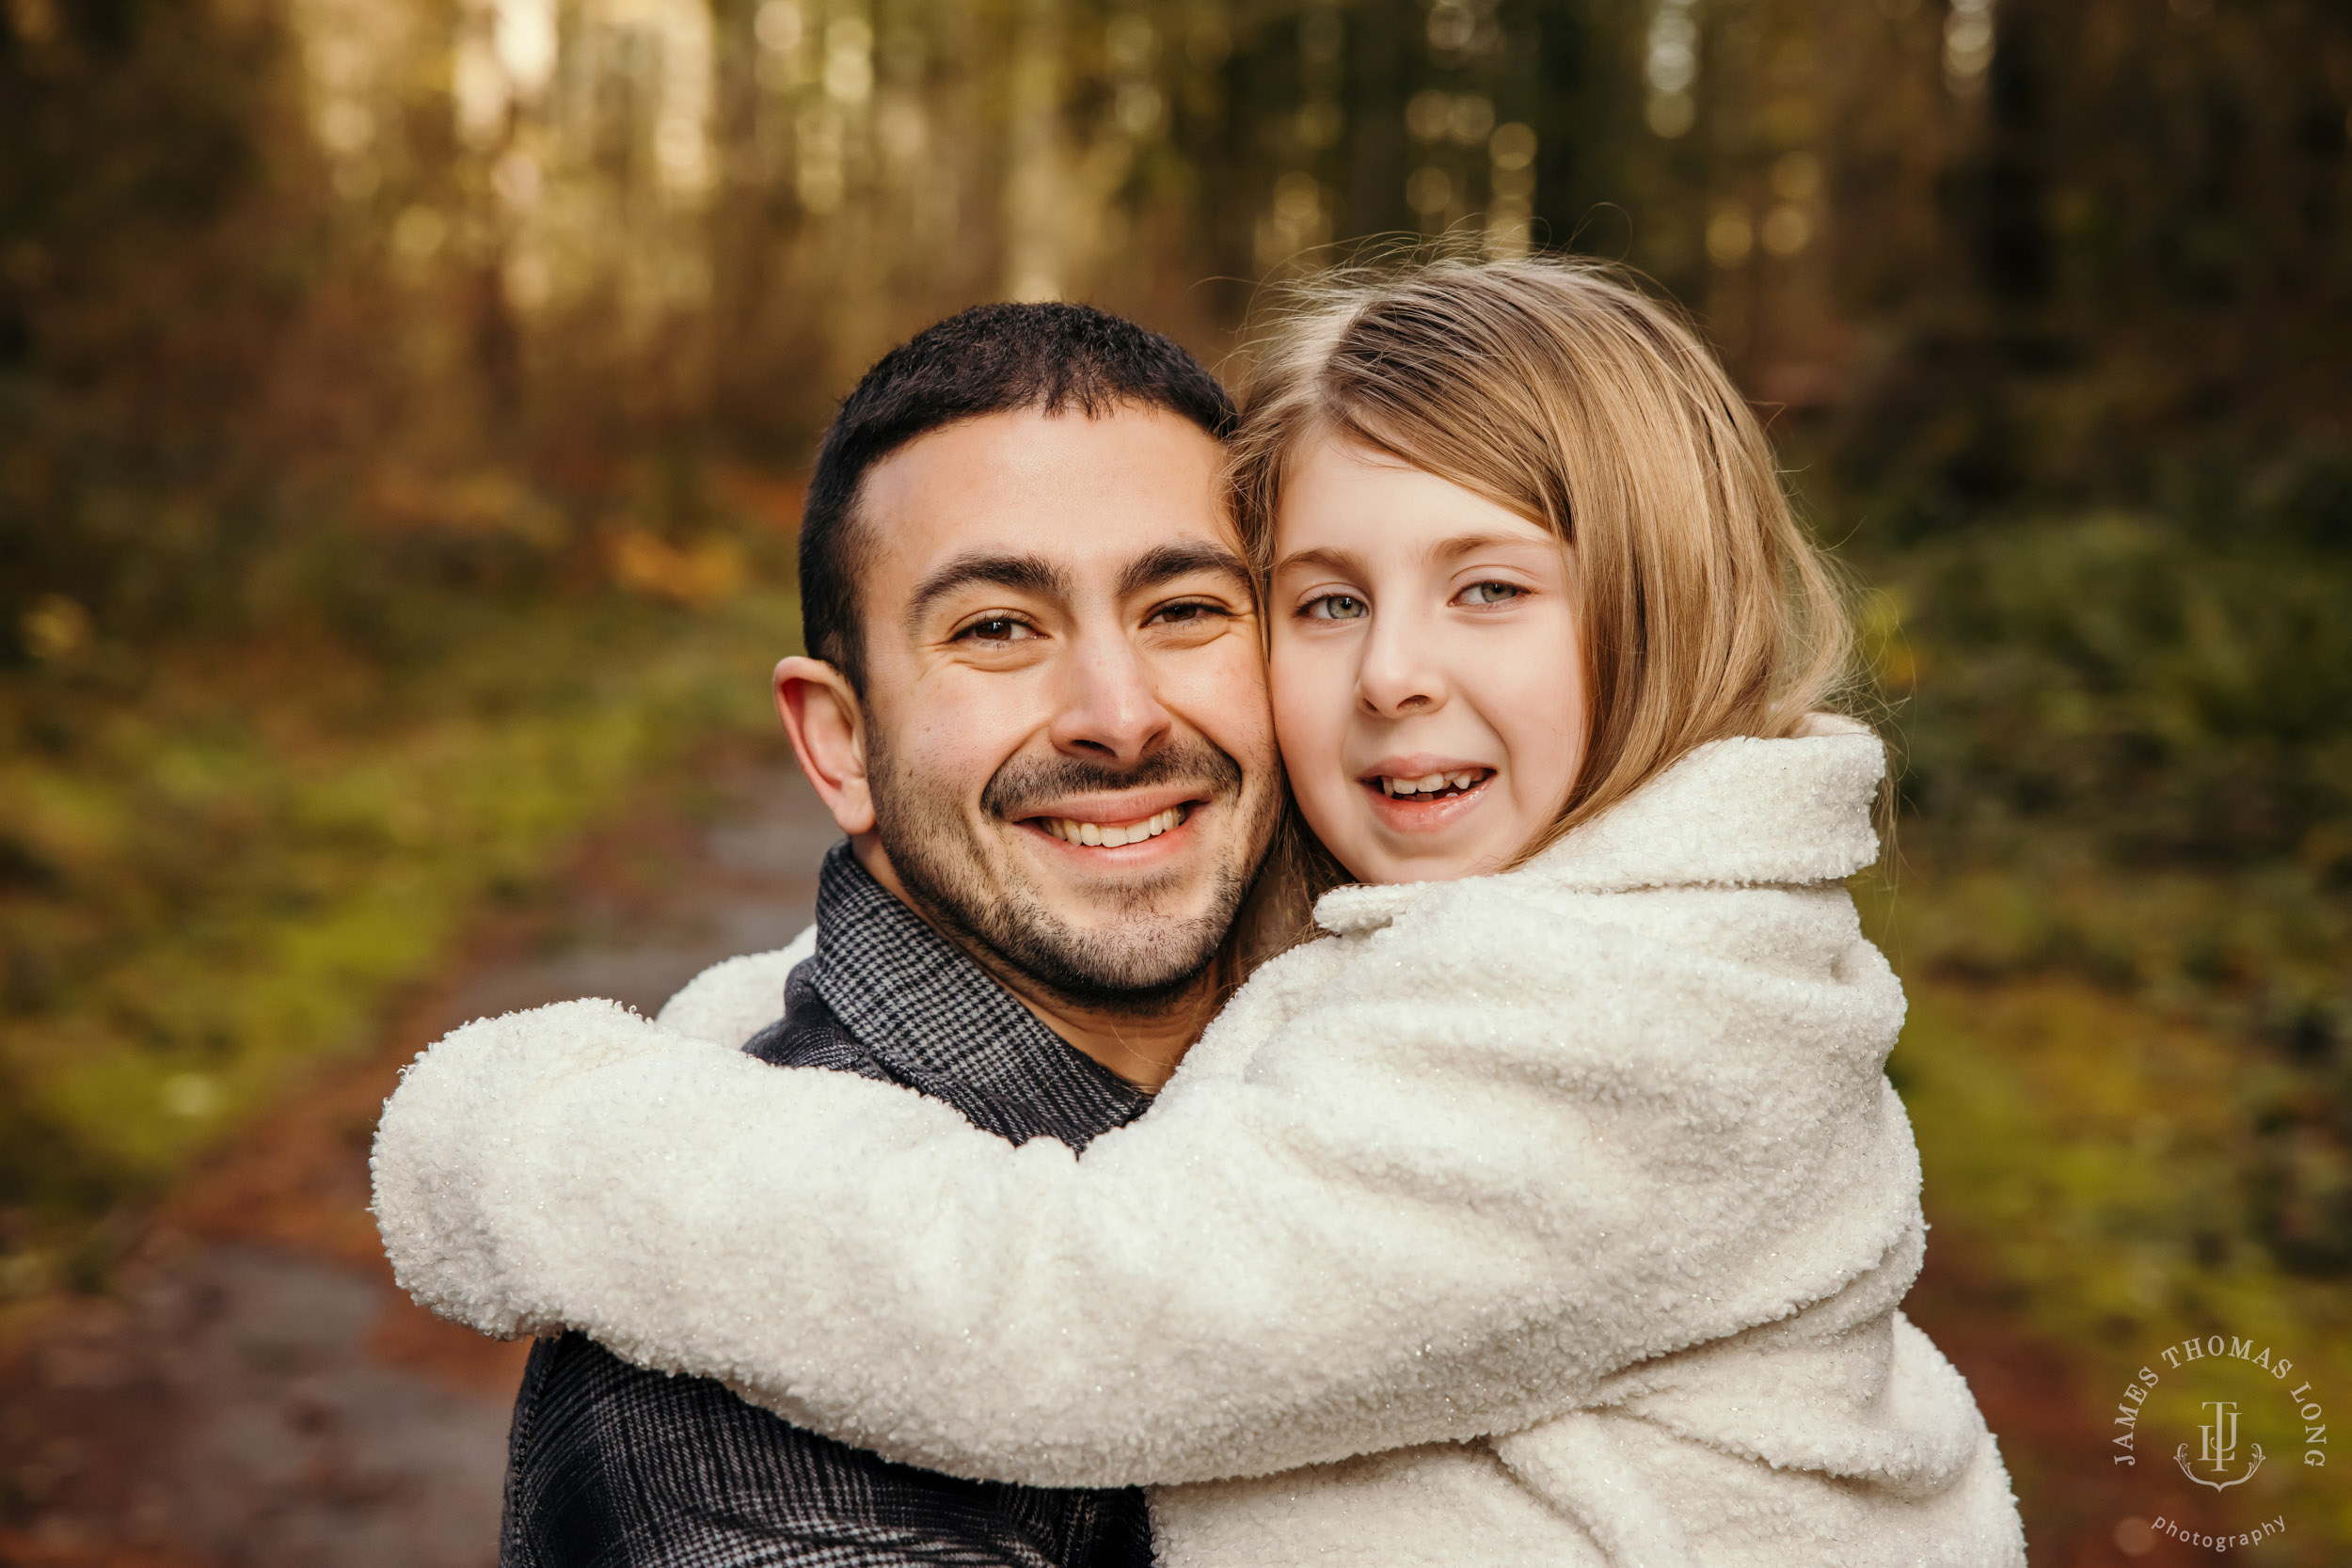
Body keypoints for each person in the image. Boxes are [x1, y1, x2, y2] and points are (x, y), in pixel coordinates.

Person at [377, 259, 2029, 1566]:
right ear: (838, 738)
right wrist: (724, 1042)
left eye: (1182, 607)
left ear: (1662, 615)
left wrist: (541, 1136)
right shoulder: (726, 1428)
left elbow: (1075, 1311)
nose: (1393, 673)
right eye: (1323, 601)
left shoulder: (1629, 1012)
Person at [458, 300, 1287, 1566]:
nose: (1119, 718)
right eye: (998, 628)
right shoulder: (731, 1368)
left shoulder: (1386, 1091)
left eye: (1183, 607)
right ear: (840, 741)